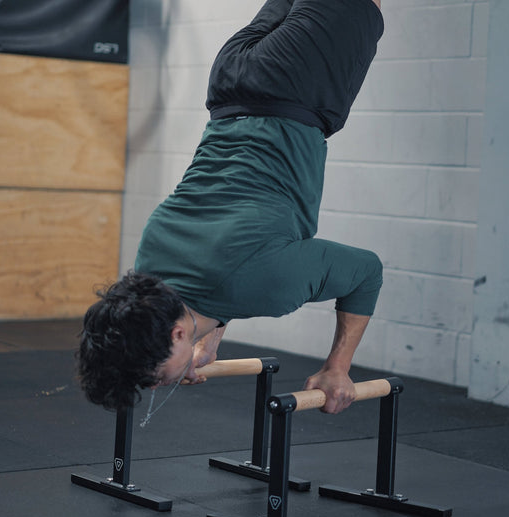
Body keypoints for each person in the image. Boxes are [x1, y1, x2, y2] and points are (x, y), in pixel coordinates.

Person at [77, 0, 384, 414]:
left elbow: (365, 272)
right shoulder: (148, 272)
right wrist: (208, 340)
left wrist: (338, 367)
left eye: (152, 373)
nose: (152, 383)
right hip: (231, 81)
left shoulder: (267, 286)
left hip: (298, 80)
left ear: (178, 335)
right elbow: (222, 269)